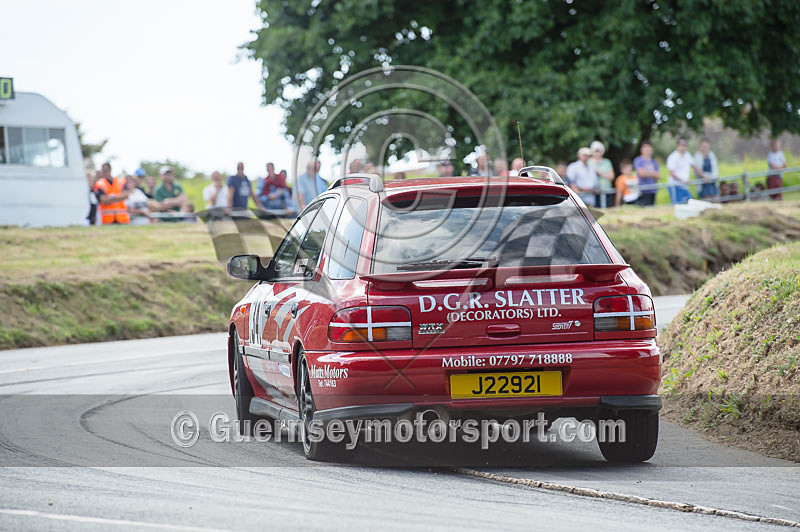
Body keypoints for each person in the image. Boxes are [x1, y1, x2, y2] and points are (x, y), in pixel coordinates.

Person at [666, 138, 695, 204]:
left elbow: (695, 166)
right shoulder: (673, 157)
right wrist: (682, 181)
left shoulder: (687, 155)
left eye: (685, 145)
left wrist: (704, 176)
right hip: (675, 186)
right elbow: (671, 173)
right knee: (677, 206)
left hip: (685, 187)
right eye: (682, 145)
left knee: (688, 204)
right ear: (678, 145)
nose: (684, 147)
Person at [588, 141, 615, 208]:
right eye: (595, 151)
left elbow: (611, 176)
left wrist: (599, 173)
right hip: (593, 192)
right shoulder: (589, 162)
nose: (597, 153)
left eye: (599, 151)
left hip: (606, 190)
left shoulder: (607, 162)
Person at [633, 141, 660, 206]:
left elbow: (658, 176)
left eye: (649, 148)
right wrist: (653, 173)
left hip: (653, 190)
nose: (647, 150)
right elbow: (642, 174)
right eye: (645, 148)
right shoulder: (638, 160)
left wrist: (647, 173)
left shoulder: (654, 162)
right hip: (642, 190)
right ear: (641, 149)